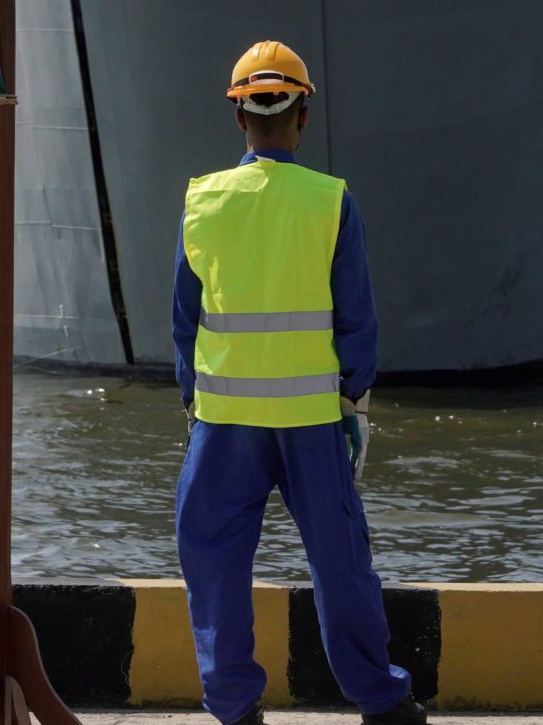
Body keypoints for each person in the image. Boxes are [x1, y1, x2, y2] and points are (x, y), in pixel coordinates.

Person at [173, 43, 424, 725]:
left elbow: (183, 320)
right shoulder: (330, 202)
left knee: (214, 559)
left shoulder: (203, 201)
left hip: (224, 420)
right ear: (302, 116)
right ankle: (379, 698)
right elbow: (357, 318)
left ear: (238, 119)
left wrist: (194, 399)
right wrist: (353, 401)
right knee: (340, 560)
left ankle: (233, 705)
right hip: (313, 418)